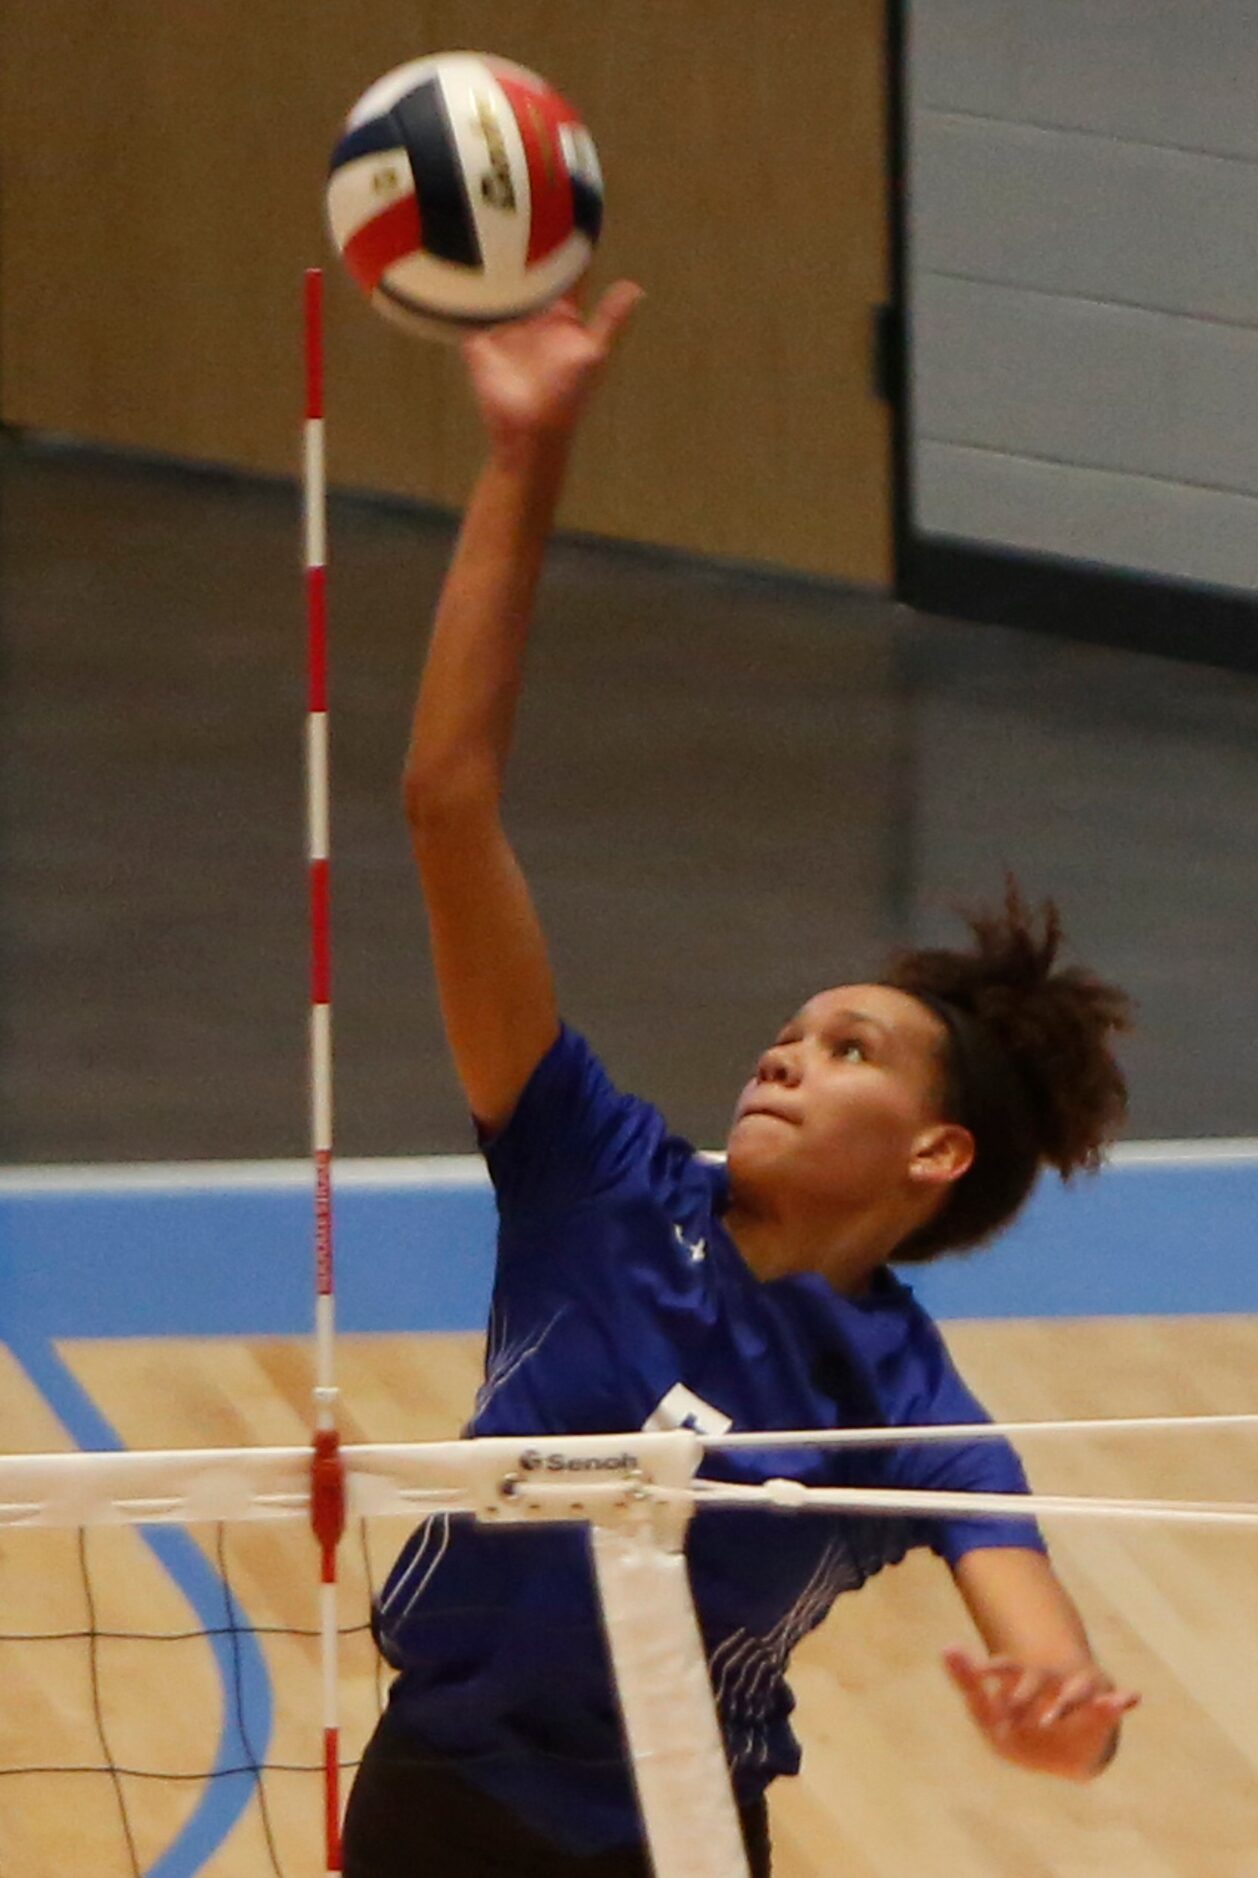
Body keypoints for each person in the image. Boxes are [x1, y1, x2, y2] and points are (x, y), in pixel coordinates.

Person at [342, 285, 1140, 1876]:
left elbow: (1047, 1644)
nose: (786, 1049)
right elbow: (445, 803)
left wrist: (1063, 1721)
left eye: (850, 1048)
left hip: (682, 1836)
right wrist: (528, 451)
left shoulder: (904, 1407)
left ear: (933, 1151)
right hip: (436, 1796)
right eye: (795, 1028)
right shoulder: (589, 1173)